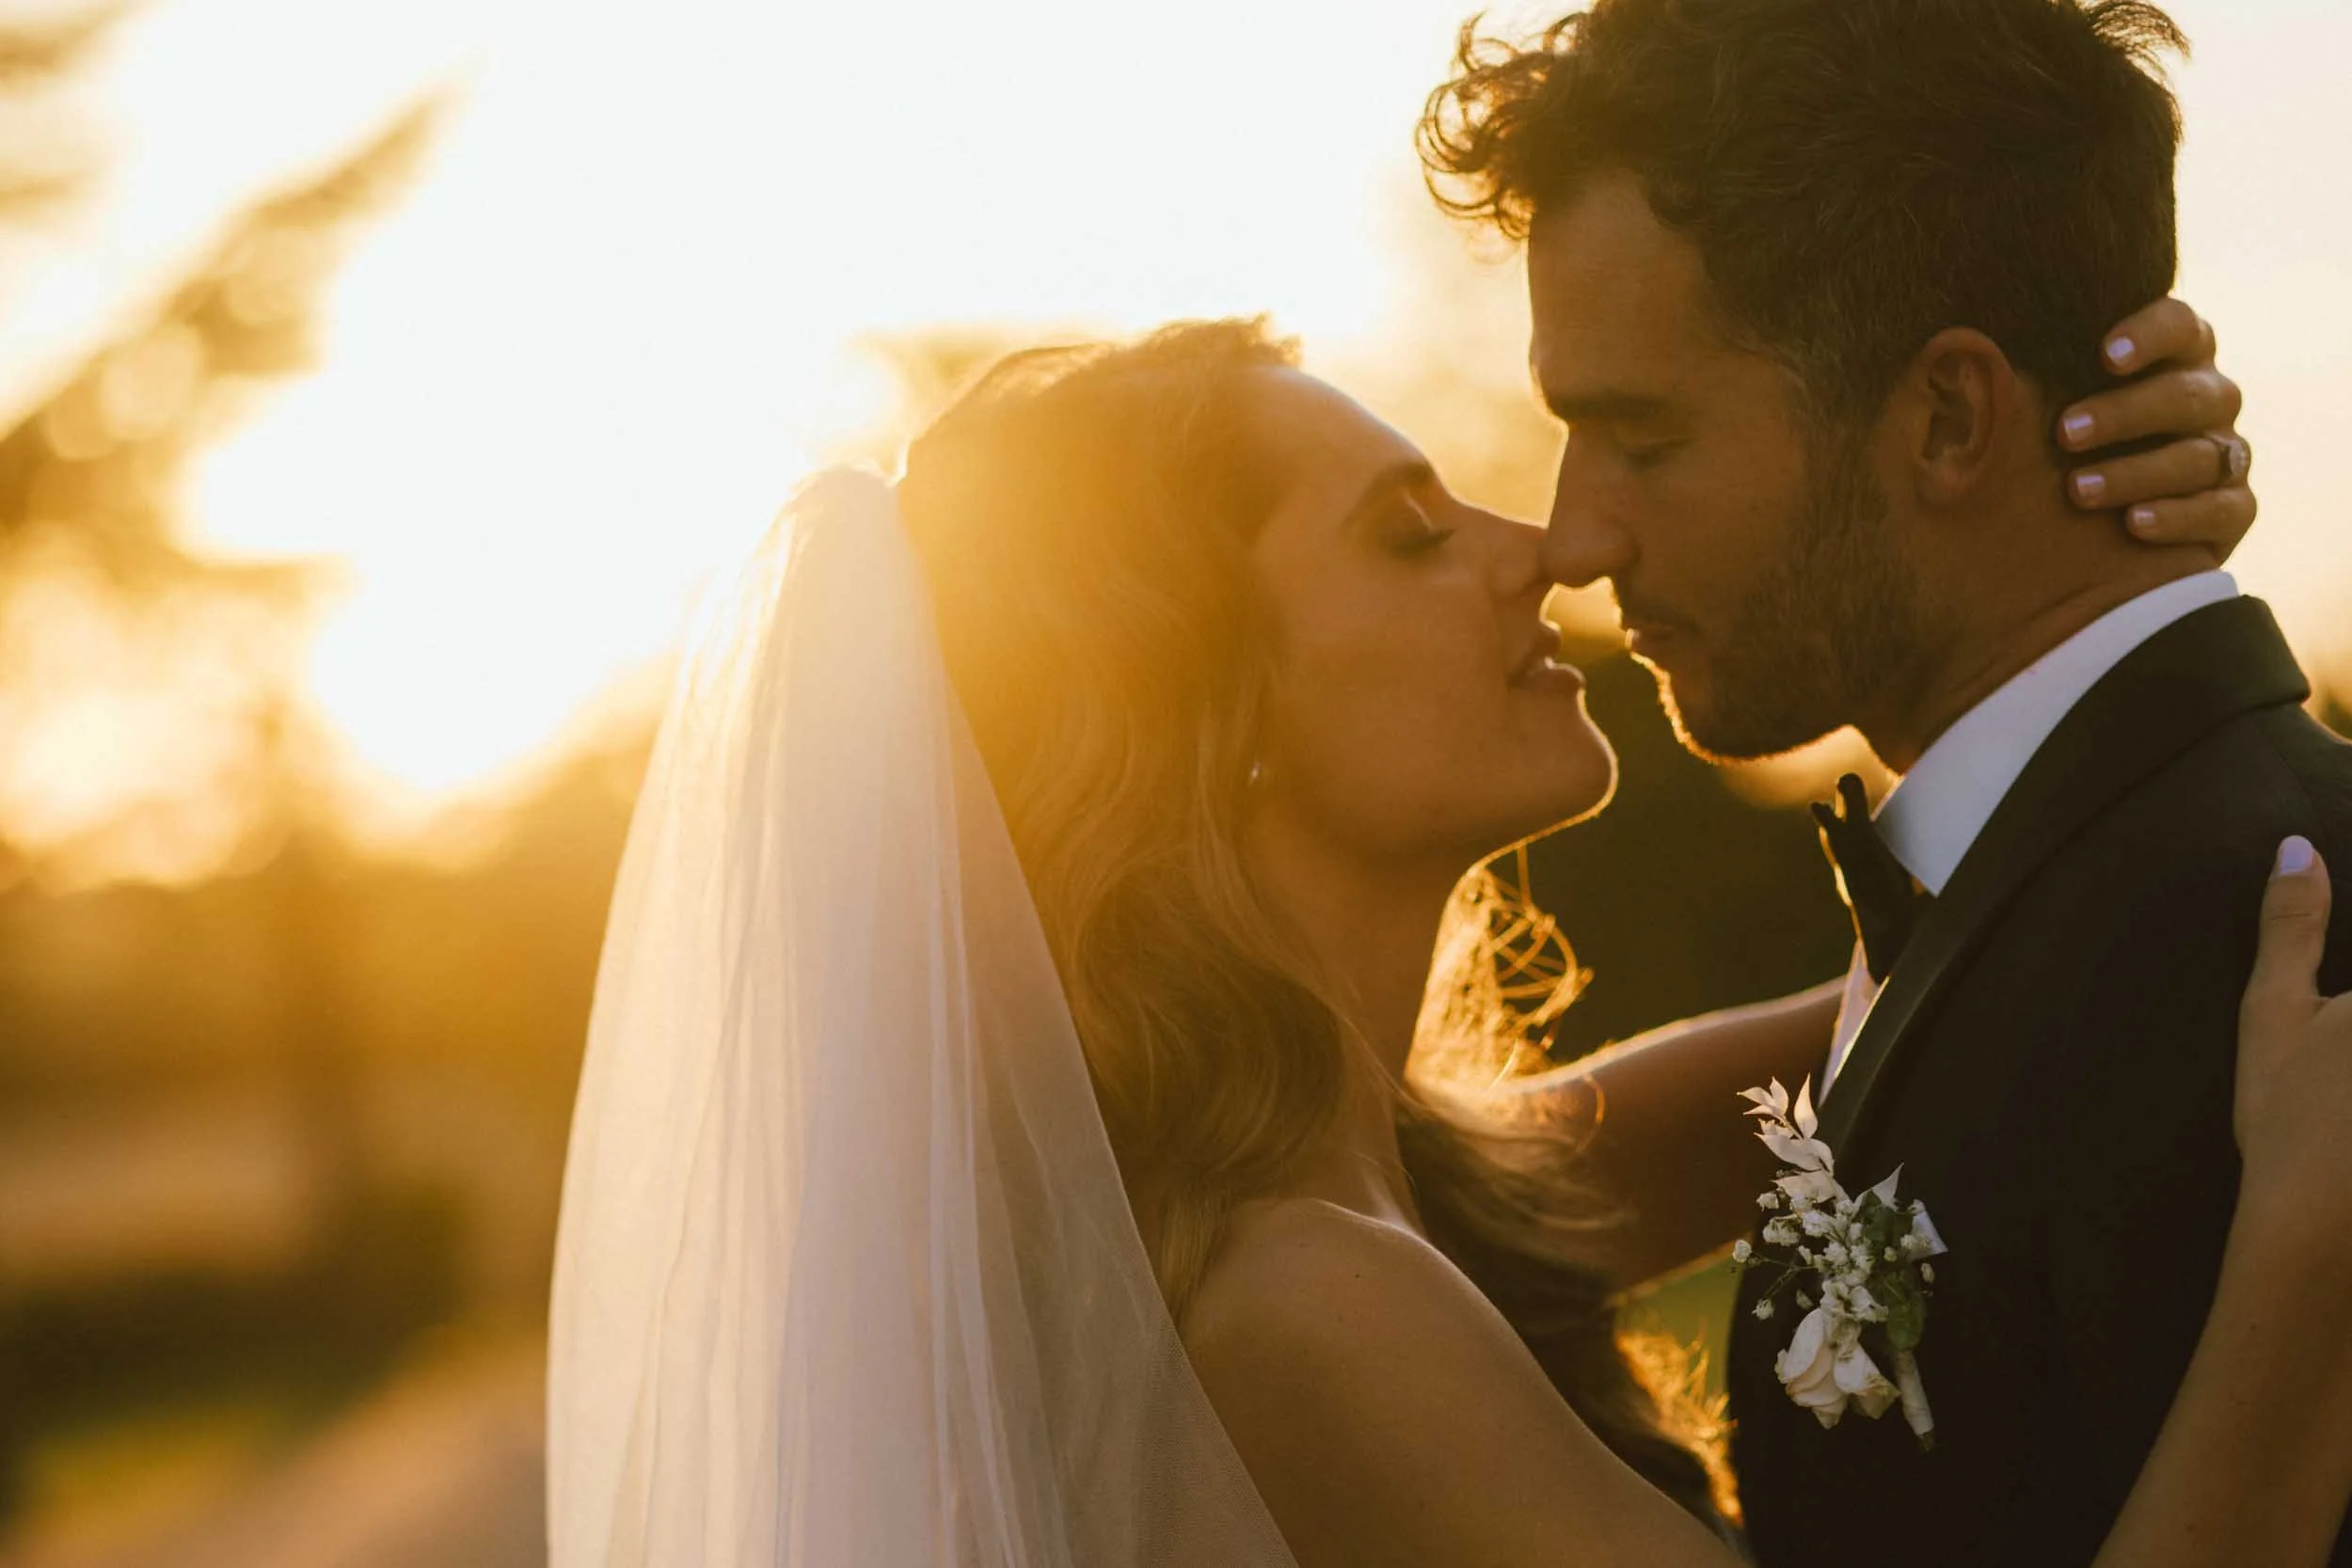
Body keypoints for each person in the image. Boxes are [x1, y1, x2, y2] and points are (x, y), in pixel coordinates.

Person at [545, 303, 2346, 1563]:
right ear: (1210, 710)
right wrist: (2306, 1268)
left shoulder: (1372, 1183)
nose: (1542, 543)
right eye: (1409, 535)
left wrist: (2051, 503)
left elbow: (1930, 996)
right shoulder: (1299, 1299)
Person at [1417, 0, 2352, 1562]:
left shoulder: (2278, 966)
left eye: (1639, 438)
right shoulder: (1998, 911)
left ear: (1948, 416)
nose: (1575, 541)